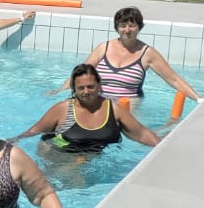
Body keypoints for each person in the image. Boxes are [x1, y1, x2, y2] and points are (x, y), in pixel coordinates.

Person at [76, 5, 203, 111]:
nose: (127, 30)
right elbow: (80, 75)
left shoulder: (147, 53)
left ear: (139, 27)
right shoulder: (104, 47)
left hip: (128, 105)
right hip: (100, 102)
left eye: (132, 25)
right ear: (117, 28)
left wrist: (199, 99)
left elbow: (174, 79)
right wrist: (60, 91)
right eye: (123, 25)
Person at [15, 64, 161, 152]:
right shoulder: (63, 109)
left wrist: (161, 148)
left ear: (99, 85)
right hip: (59, 155)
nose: (86, 91)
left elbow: (141, 133)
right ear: (74, 89)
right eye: (81, 88)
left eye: (90, 86)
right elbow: (34, 131)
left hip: (96, 159)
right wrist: (9, 143)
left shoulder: (114, 110)